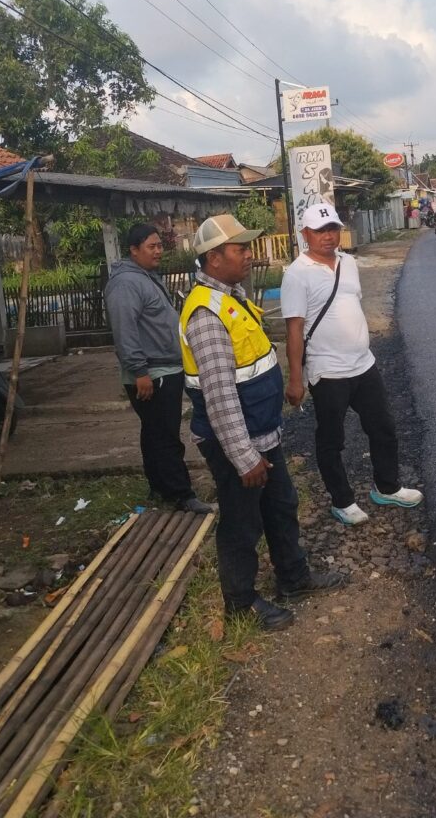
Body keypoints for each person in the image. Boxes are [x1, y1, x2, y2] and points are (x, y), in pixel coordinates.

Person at [180, 214, 344, 631]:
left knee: (281, 505)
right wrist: (243, 457)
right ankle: (241, 603)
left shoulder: (231, 297)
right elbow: (219, 397)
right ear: (214, 258)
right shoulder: (206, 314)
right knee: (242, 523)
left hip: (261, 433)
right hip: (237, 443)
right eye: (241, 249)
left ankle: (293, 577)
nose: (249, 256)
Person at [281, 203, 423, 526]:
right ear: (305, 234)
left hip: (363, 364)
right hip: (328, 370)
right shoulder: (297, 274)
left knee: (383, 427)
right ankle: (342, 500)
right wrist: (295, 379)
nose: (328, 236)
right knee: (332, 440)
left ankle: (387, 487)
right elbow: (294, 330)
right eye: (320, 231)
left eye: (332, 228)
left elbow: (352, 304)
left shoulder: (348, 263)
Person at [104, 223, 213, 514]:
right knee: (166, 435)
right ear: (134, 250)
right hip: (152, 372)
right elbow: (124, 330)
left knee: (154, 432)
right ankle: (181, 494)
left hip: (163, 368)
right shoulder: (126, 284)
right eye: (151, 247)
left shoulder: (145, 276)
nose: (158, 251)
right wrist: (139, 371)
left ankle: (160, 487)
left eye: (159, 246)